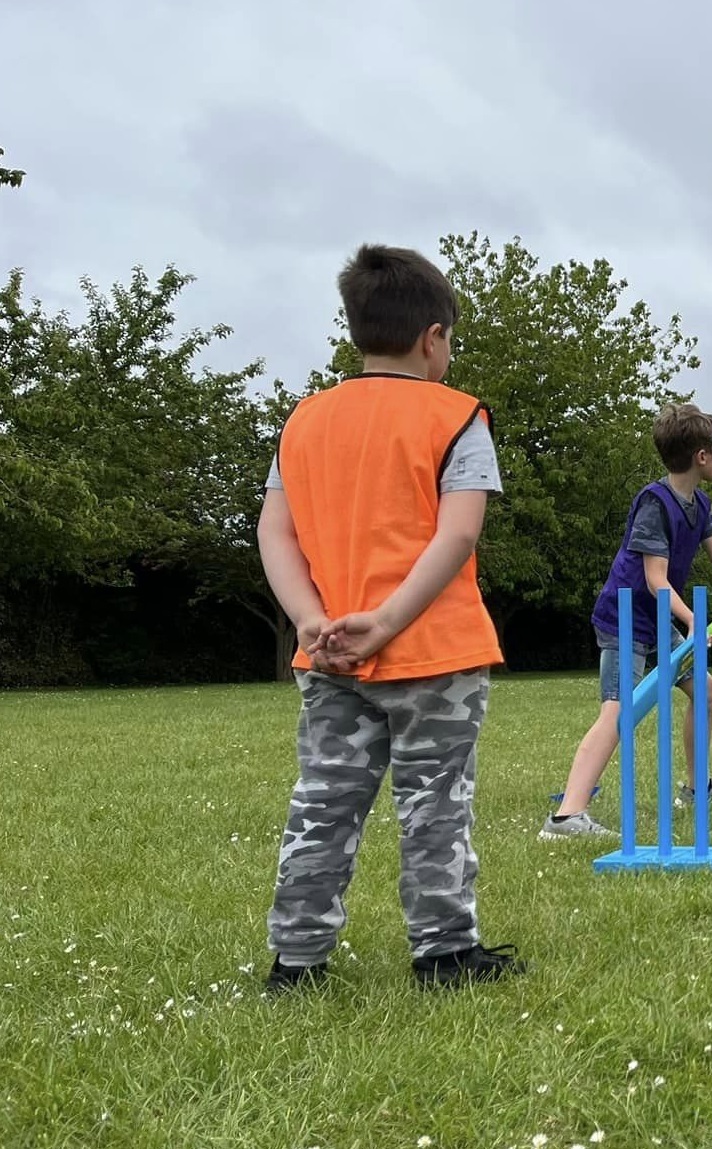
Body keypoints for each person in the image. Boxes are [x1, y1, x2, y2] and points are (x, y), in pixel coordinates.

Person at [258, 243, 524, 992]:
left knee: (322, 804)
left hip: (329, 653)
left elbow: (273, 531)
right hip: (434, 652)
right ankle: (443, 953)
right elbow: (458, 533)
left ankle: (298, 961)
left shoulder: (303, 420)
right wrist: (389, 620)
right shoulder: (457, 417)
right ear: (433, 336)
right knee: (435, 805)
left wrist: (312, 619)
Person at [542, 402, 712, 839]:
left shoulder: (700, 504)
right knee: (619, 711)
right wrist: (694, 620)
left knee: (706, 692)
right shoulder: (654, 504)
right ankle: (566, 817)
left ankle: (696, 789)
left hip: (658, 619)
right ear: (702, 456)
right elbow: (656, 580)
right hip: (624, 619)